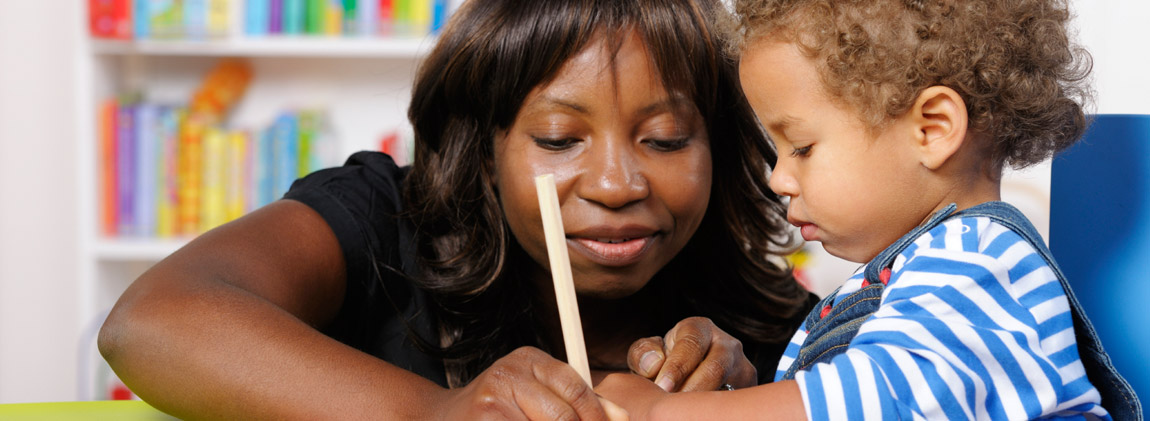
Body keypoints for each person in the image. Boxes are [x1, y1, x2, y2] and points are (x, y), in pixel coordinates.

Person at [97, 0, 817, 419]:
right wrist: (437, 413)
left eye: (666, 138)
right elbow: (152, 321)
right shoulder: (384, 221)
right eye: (560, 138)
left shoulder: (767, 319)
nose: (617, 181)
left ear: (718, 146)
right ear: (486, 146)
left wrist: (751, 403)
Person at [596, 0, 1143, 419]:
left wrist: (664, 411)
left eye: (802, 147)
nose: (778, 177)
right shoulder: (902, 276)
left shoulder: (979, 262)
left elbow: (877, 399)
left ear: (932, 129)